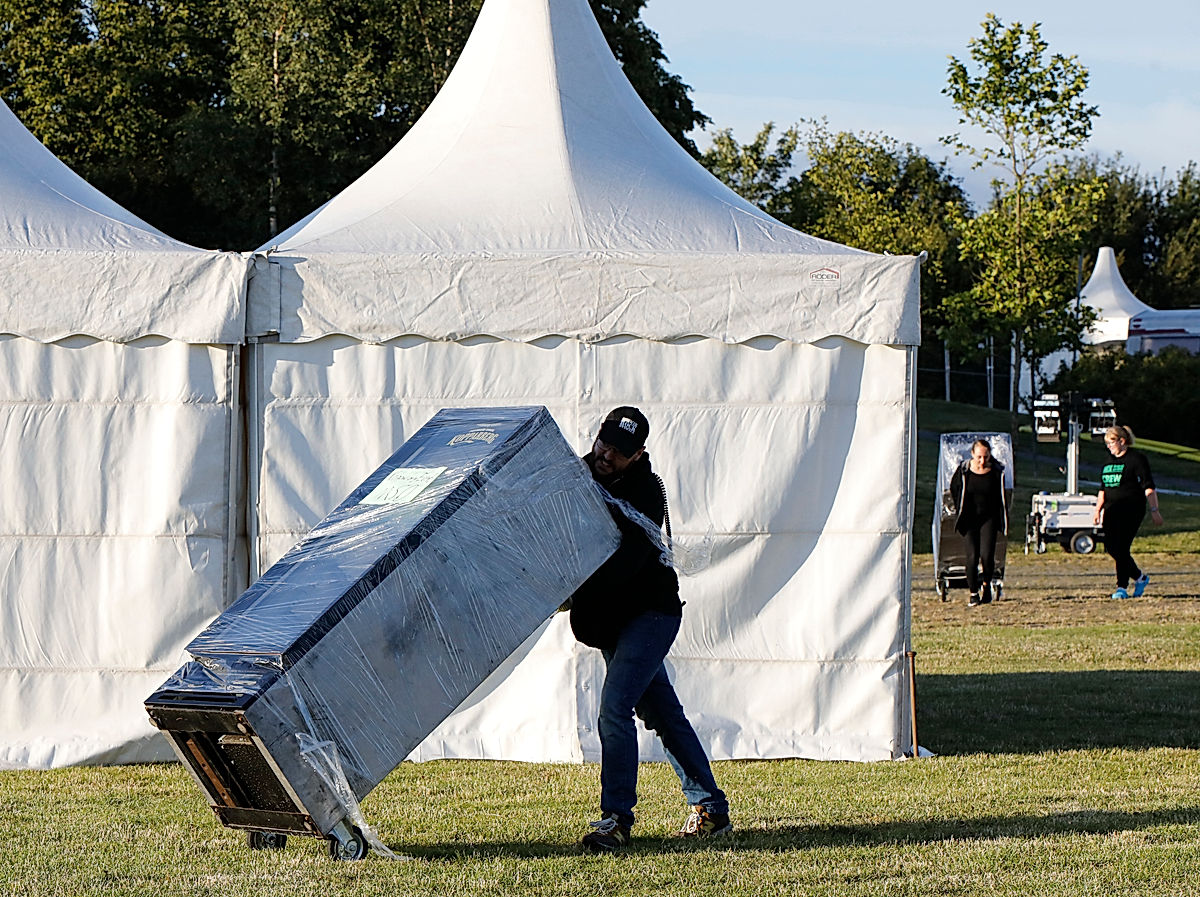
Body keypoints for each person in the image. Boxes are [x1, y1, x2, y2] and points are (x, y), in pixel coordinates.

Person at [567, 406, 730, 852]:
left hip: (649, 614)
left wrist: (569, 583)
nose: (606, 456)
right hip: (610, 620)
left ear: (638, 454)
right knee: (661, 713)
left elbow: (625, 565)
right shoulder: (578, 475)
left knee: (614, 708)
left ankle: (615, 820)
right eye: (604, 444)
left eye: (619, 452)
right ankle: (712, 809)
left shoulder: (646, 492)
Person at [1093, 425, 1163, 599]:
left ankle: (1121, 587)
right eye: (1107, 444)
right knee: (1111, 547)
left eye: (1111, 442)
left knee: (1122, 547)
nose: (1109, 447)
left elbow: (1148, 486)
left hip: (1131, 509)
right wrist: (1097, 510)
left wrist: (1155, 509)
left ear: (1122, 441)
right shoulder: (1108, 462)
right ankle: (1140, 577)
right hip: (1111, 509)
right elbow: (1103, 488)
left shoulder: (1136, 459)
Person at [949, 439, 1007, 607]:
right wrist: (959, 508)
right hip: (969, 519)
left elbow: (1002, 495)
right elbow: (955, 488)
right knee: (972, 557)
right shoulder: (964, 470)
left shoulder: (997, 471)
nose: (982, 461)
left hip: (988, 518)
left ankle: (987, 585)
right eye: (979, 457)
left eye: (986, 457)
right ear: (972, 454)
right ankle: (973, 593)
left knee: (987, 556)